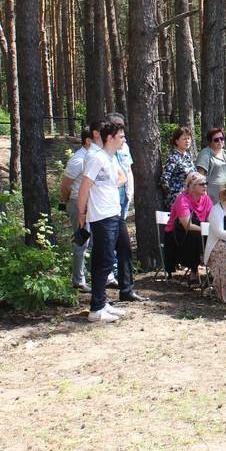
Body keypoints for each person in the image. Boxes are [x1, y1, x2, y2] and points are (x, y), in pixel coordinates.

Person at [76, 122, 144, 323]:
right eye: (121, 136)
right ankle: (96, 308)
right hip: (101, 217)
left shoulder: (111, 158)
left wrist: (108, 185)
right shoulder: (96, 158)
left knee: (117, 252)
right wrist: (82, 213)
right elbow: (84, 187)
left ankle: (103, 302)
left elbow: (121, 178)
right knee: (103, 260)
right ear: (110, 138)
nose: (123, 140)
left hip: (114, 214)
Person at [164, 171, 214, 285]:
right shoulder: (182, 199)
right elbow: (187, 224)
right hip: (176, 235)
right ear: (191, 186)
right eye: (201, 184)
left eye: (206, 183)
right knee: (196, 236)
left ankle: (213, 271)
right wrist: (206, 230)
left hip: (199, 231)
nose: (205, 186)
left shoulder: (206, 198)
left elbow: (212, 217)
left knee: (213, 236)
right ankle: (194, 272)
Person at [59, 128, 93, 292]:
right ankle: (78, 281)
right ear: (88, 141)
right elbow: (65, 186)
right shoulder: (78, 160)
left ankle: (86, 275)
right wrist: (69, 203)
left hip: (91, 205)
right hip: (78, 204)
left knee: (90, 242)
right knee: (81, 241)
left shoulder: (92, 158)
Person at [161, 126, 196, 210]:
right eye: (184, 139)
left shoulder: (187, 156)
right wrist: (173, 195)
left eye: (188, 138)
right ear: (177, 141)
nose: (187, 141)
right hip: (177, 199)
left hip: (190, 196)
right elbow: (164, 180)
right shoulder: (173, 157)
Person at [107, 112, 133, 219]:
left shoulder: (125, 146)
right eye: (117, 125)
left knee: (121, 224)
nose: (120, 128)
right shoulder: (102, 150)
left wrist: (130, 192)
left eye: (122, 125)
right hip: (111, 197)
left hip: (125, 194)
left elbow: (128, 169)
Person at [196, 128, 226, 203]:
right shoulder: (205, 154)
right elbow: (200, 177)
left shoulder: (225, 153)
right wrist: (203, 195)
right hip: (212, 197)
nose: (220, 141)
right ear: (210, 142)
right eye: (216, 140)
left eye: (221, 138)